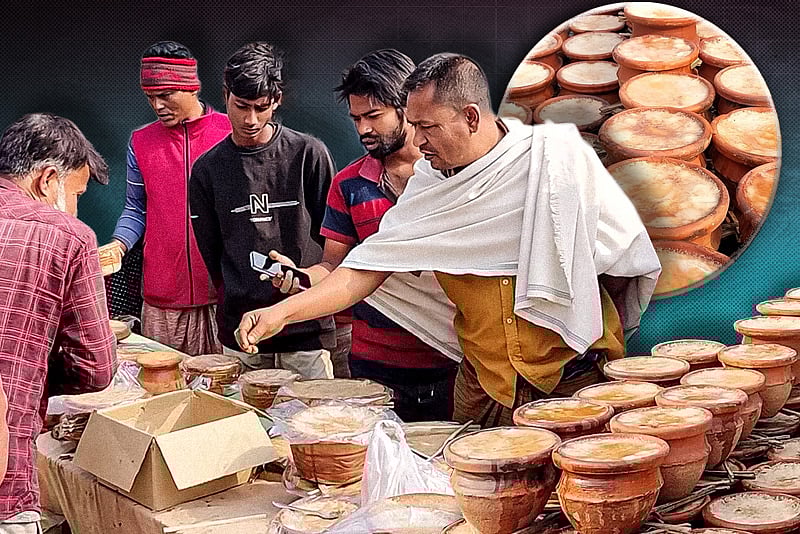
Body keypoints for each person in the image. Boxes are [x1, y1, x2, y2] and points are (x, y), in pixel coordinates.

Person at [236, 53, 661, 427]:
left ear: (471, 117)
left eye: (427, 127)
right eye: (414, 126)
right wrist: (282, 313)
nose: (418, 141)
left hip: (576, 375)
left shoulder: (556, 160)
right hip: (485, 388)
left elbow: (619, 260)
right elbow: (362, 270)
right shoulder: (429, 186)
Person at [269, 49, 460, 421]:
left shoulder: (451, 177)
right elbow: (334, 267)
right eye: (356, 118)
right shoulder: (349, 185)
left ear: (408, 107)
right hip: (375, 367)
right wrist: (301, 278)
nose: (362, 130)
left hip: (452, 360)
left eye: (373, 116)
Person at [189, 42, 336, 379]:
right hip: (242, 334)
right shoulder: (207, 170)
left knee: (315, 428)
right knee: (245, 428)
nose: (251, 119)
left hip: (306, 331)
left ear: (277, 101)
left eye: (262, 107)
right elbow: (212, 255)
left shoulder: (308, 154)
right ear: (224, 94)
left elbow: (334, 243)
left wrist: (302, 278)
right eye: (241, 106)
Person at [0, 113, 117, 532]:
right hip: (5, 480)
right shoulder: (68, 236)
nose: (77, 206)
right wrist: (33, 376)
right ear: (47, 179)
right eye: (77, 193)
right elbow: (96, 368)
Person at [104, 40, 231, 355]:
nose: (158, 105)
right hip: (162, 301)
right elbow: (135, 209)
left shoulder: (229, 133)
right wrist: (118, 245)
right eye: (150, 98)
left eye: (165, 95)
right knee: (161, 391)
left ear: (191, 88)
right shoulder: (141, 141)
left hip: (221, 295)